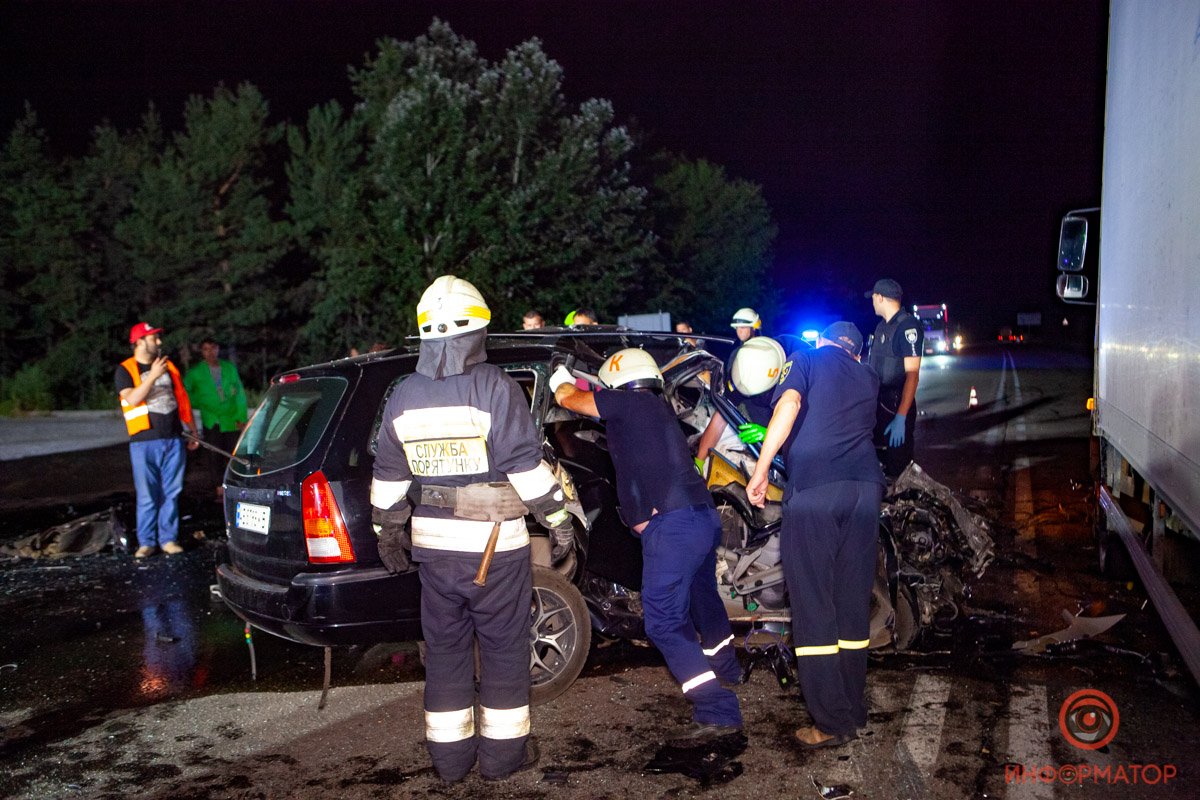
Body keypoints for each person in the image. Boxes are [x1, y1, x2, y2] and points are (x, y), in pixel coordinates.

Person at [371, 275, 573, 783]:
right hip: (494, 552)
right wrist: (558, 519)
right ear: (478, 330)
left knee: (445, 654)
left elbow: (389, 476)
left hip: (434, 554)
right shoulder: (495, 387)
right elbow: (525, 466)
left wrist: (387, 531)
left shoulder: (403, 395)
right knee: (504, 652)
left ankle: (450, 762)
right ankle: (502, 761)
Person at [551, 348, 743, 745]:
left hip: (675, 528)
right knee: (703, 598)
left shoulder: (631, 404)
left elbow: (569, 399)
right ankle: (727, 667)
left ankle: (717, 709)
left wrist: (558, 376)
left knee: (663, 622)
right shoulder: (651, 409)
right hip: (698, 519)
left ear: (617, 383)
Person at [746, 322, 884, 749]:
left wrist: (761, 468)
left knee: (813, 603)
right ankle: (851, 709)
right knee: (851, 603)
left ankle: (830, 722)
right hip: (865, 492)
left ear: (822, 341)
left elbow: (789, 404)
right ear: (856, 352)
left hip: (815, 492)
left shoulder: (804, 359)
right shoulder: (868, 375)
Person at [116, 322, 199, 557]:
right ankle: (147, 542)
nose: (159, 342)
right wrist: (152, 376)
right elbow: (132, 399)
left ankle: (168, 539)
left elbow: (182, 400)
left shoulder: (169, 366)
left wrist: (193, 430)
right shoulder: (125, 369)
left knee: (171, 492)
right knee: (147, 495)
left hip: (174, 438)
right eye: (154, 338)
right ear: (140, 341)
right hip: (144, 441)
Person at [695, 336, 785, 472]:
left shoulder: (795, 374)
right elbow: (719, 420)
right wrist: (699, 463)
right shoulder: (741, 371)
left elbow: (807, 431)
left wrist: (771, 434)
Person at [865, 278, 923, 477]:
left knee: (898, 467)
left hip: (897, 405)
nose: (872, 301)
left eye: (873, 297)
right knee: (878, 465)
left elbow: (912, 375)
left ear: (880, 298)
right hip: (878, 405)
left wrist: (901, 416)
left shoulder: (907, 326)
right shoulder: (881, 326)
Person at [183, 338, 248, 497]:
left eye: (213, 348)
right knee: (214, 455)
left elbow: (240, 394)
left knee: (234, 455)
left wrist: (242, 418)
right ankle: (219, 488)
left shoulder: (229, 368)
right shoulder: (195, 372)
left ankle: (237, 485)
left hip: (231, 419)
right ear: (202, 352)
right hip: (212, 420)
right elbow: (184, 393)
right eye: (206, 349)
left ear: (217, 349)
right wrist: (200, 402)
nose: (210, 352)